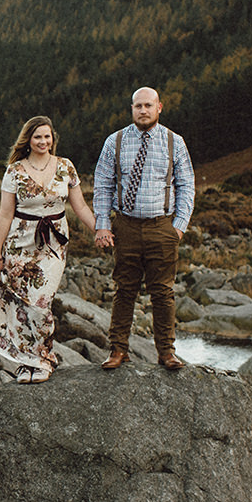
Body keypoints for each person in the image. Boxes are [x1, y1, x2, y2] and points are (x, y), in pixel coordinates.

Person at [0, 116, 98, 384]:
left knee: (40, 302)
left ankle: (43, 358)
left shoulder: (66, 167)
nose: (43, 141)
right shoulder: (14, 171)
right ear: (28, 139)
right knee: (21, 302)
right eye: (38, 136)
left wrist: (100, 229)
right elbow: (5, 215)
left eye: (47, 136)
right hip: (20, 243)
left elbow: (81, 207)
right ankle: (28, 361)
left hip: (53, 243)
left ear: (53, 138)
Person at [92, 87, 195, 371]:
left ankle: (166, 352)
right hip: (125, 225)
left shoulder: (175, 142)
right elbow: (102, 184)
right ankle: (118, 350)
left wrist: (179, 227)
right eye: (138, 106)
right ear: (132, 108)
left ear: (159, 107)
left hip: (162, 226)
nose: (143, 111)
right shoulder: (115, 141)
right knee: (124, 289)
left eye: (148, 105)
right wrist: (102, 225)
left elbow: (186, 184)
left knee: (162, 292)